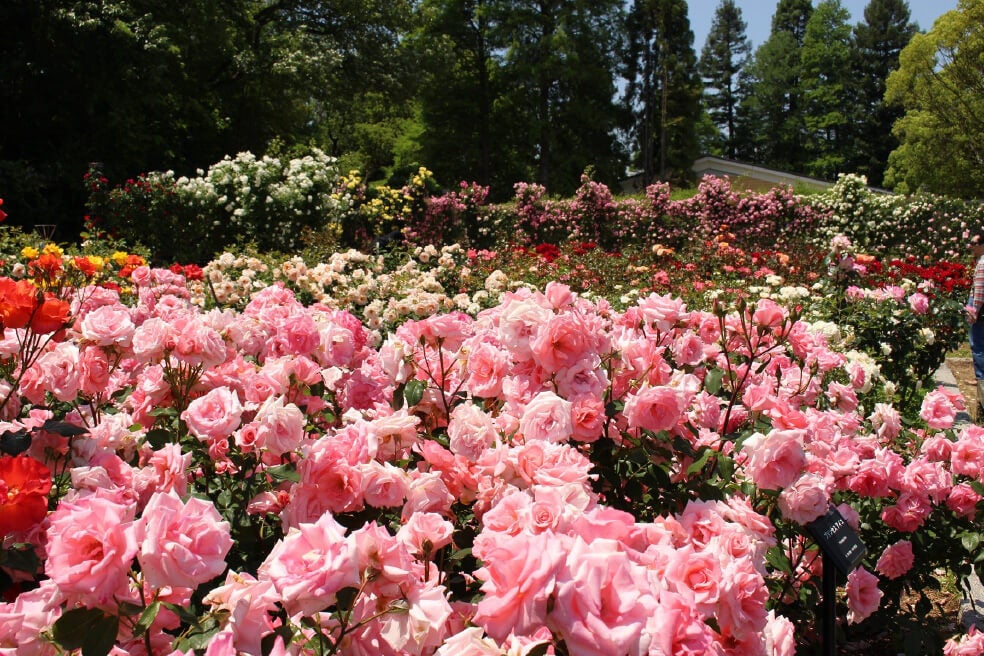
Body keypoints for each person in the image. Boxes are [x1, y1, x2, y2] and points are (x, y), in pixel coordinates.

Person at [967, 230, 984, 421]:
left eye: (974, 243)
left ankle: (981, 382)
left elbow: (979, 291)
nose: (971, 247)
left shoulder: (982, 264)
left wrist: (973, 312)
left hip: (980, 314)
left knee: (978, 348)